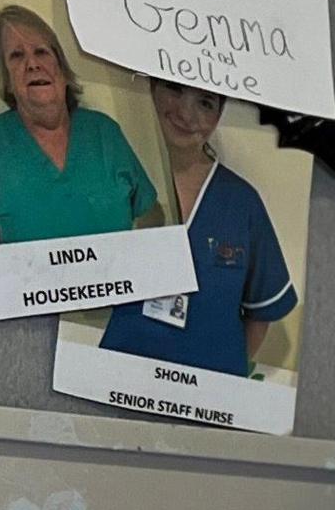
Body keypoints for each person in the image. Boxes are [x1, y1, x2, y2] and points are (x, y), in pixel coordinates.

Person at [95, 82, 295, 379]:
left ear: (218, 115)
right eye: (175, 89)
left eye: (205, 103)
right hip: (116, 387)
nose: (186, 114)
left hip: (205, 404)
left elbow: (260, 313)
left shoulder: (242, 203)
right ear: (151, 89)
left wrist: (217, 374)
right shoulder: (108, 181)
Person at [0, 5, 157, 246]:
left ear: (62, 69)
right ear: (7, 80)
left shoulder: (105, 134)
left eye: (41, 52)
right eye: (16, 55)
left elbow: (148, 216)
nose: (32, 64)